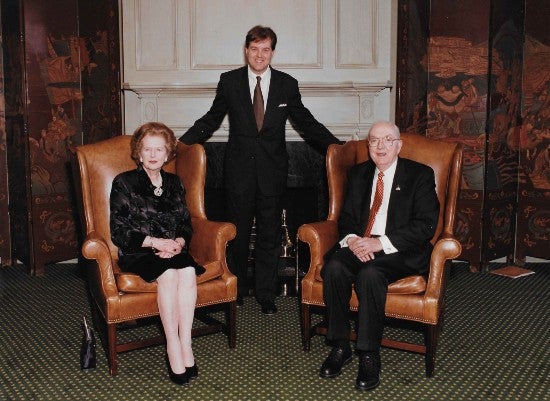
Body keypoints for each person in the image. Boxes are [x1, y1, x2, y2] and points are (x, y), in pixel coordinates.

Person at [179, 25, 341, 315]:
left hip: (273, 173)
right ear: (246, 50)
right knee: (238, 234)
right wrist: (180, 145)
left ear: (272, 52)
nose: (259, 54)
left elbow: (306, 122)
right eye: (254, 49)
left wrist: (336, 147)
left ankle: (266, 295)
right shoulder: (229, 82)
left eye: (265, 49)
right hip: (238, 173)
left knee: (270, 234)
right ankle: (238, 288)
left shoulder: (287, 84)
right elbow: (211, 119)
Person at [319, 121, 439, 391]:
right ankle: (340, 346)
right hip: (362, 243)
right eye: (374, 140)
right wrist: (353, 241)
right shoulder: (359, 174)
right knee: (335, 266)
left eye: (387, 140)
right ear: (368, 146)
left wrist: (379, 243)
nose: (381, 146)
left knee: (370, 274)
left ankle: (368, 353)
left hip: (401, 250)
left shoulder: (420, 175)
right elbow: (347, 217)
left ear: (399, 145)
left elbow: (425, 225)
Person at [110, 122, 205, 386]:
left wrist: (178, 241)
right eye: (147, 149)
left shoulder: (175, 183)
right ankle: (172, 346)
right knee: (170, 275)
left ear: (168, 154)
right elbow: (119, 232)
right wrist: (156, 243)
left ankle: (186, 343)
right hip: (137, 250)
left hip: (172, 248)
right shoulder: (124, 182)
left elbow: (186, 222)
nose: (153, 155)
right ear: (138, 153)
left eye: (159, 150)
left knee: (186, 270)